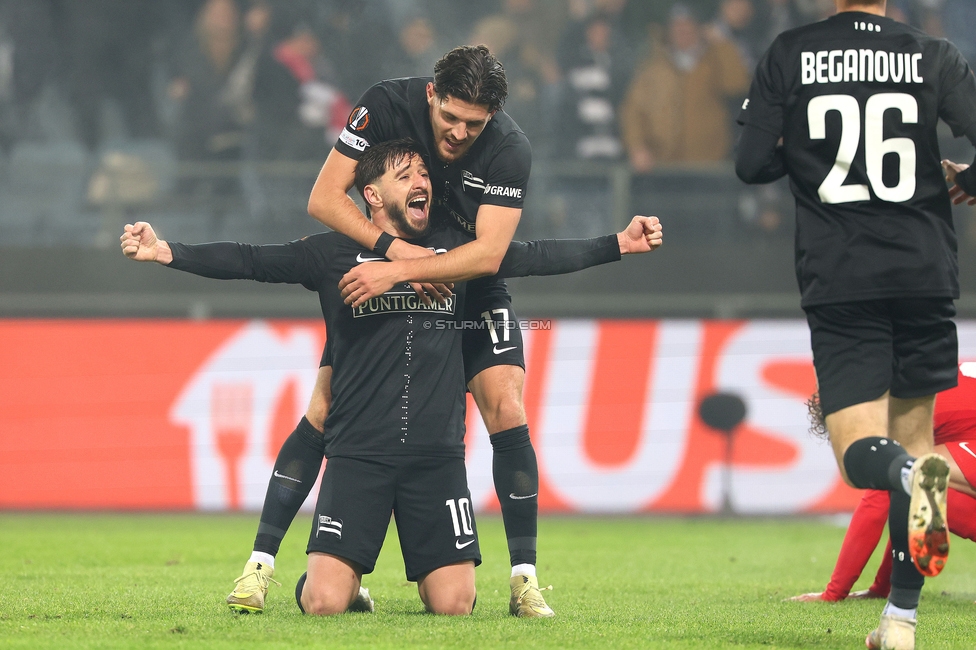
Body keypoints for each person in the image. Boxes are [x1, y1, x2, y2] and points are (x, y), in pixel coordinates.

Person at [121, 138, 663, 614]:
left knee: (454, 605)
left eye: (424, 175)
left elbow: (535, 255)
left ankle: (505, 577)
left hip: (437, 459)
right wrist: (168, 251)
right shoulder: (332, 254)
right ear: (372, 196)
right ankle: (325, 578)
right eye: (405, 177)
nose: (422, 183)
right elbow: (249, 259)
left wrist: (618, 243)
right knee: (324, 604)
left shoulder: (457, 254)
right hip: (360, 454)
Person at [304, 44, 611, 617]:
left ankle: (525, 578)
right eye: (449, 118)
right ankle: (294, 561)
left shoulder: (509, 149)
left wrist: (410, 269)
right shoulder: (383, 106)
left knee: (506, 404)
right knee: (323, 405)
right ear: (431, 95)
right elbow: (324, 199)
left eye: (475, 123)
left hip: (468, 278)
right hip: (384, 274)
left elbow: (490, 253)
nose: (458, 133)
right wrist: (395, 259)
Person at [735, 0, 976, 647]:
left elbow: (751, 164)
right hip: (927, 271)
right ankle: (898, 622)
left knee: (864, 453)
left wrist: (810, 152)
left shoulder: (793, 53)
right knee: (916, 437)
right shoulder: (933, 54)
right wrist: (970, 179)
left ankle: (905, 474)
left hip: (844, 274)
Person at [791, 365, 976, 603]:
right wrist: (880, 588)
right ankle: (883, 588)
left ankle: (861, 592)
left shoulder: (892, 408)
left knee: (900, 475)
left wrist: (833, 593)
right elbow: (905, 503)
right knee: (914, 483)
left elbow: (874, 505)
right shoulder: (902, 377)